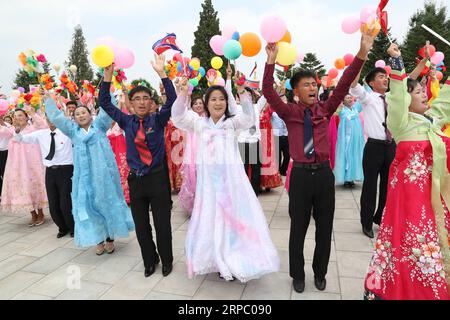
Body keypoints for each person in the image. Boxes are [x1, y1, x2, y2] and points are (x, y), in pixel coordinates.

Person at [263, 32, 374, 293]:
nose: (312, 88)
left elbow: (346, 81)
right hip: (300, 176)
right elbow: (268, 90)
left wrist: (362, 52)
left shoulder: (326, 108)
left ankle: (320, 272)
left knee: (325, 228)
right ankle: (297, 275)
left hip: (324, 175)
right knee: (298, 229)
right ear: (296, 90)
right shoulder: (289, 112)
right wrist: (270, 61)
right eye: (306, 85)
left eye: (314, 84)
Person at [172, 76, 279, 282]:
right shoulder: (198, 123)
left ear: (227, 102)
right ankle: (215, 257)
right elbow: (178, 117)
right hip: (209, 187)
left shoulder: (232, 123)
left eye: (221, 99)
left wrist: (241, 92)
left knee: (232, 218)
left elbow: (248, 116)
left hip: (232, 183)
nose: (218, 103)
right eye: (213, 99)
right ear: (206, 103)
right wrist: (183, 94)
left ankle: (233, 256)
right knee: (211, 218)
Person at [364, 43, 450, 300]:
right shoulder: (401, 123)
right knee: (412, 245)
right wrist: (397, 60)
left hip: (435, 197)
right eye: (419, 92)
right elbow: (398, 96)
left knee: (434, 243)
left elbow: (445, 101)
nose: (425, 95)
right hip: (409, 200)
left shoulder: (432, 121)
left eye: (425, 91)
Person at [99, 54, 176, 278]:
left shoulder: (158, 120)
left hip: (158, 178)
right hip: (137, 180)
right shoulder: (126, 121)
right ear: (131, 104)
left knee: (162, 225)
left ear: (151, 102)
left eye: (146, 98)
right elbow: (104, 103)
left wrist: (163, 74)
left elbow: (171, 100)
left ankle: (167, 260)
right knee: (142, 228)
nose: (142, 102)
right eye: (137, 99)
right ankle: (149, 260)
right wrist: (107, 77)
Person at [44, 93, 135, 255]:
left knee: (106, 204)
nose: (80, 115)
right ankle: (98, 240)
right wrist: (49, 100)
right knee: (89, 206)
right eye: (77, 114)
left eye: (83, 112)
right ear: (74, 118)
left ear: (90, 115)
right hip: (84, 178)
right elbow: (57, 118)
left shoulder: (100, 126)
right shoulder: (72, 131)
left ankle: (110, 239)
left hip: (104, 176)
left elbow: (107, 111)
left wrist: (109, 92)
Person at [14, 116, 75, 238]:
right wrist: (17, 131)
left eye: (53, 118)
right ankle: (62, 227)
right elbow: (23, 139)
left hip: (66, 170)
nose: (51, 121)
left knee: (65, 203)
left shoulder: (68, 132)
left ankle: (73, 227)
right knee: (53, 203)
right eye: (48, 119)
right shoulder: (41, 134)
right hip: (50, 171)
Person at [0, 107, 48, 226]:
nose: (18, 118)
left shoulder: (33, 128)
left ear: (27, 117)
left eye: (20, 115)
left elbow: (43, 125)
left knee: (35, 185)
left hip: (33, 164)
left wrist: (32, 112)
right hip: (17, 166)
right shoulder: (11, 130)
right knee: (22, 187)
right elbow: (2, 131)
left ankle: (41, 212)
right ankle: (33, 214)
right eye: (15, 116)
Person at [334, 94, 365, 188]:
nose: (350, 99)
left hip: (356, 140)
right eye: (347, 97)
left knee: (355, 157)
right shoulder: (342, 111)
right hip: (346, 139)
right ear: (343, 101)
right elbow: (335, 108)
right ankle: (346, 179)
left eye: (351, 97)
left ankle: (352, 178)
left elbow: (362, 98)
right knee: (347, 158)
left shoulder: (356, 109)